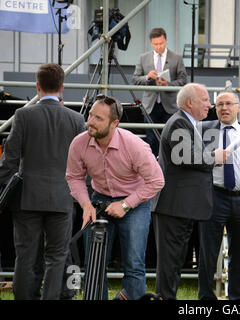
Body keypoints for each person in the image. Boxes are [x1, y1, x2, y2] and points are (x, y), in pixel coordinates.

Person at [65, 95, 165, 300]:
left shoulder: (134, 145)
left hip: (135, 202)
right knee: (95, 262)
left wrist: (126, 204)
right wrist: (85, 205)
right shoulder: (79, 143)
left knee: (134, 264)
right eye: (91, 115)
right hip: (99, 198)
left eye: (98, 118)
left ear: (114, 123)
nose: (90, 121)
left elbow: (156, 181)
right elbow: (74, 177)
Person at [0, 63, 85, 300]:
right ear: (62, 88)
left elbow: (9, 161)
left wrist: (4, 188)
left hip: (27, 199)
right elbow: (82, 164)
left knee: (26, 256)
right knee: (58, 256)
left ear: (37, 86)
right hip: (62, 198)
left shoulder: (23, 115)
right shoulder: (77, 120)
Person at [153, 83, 228, 300]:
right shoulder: (179, 123)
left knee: (174, 263)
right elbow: (186, 157)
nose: (209, 104)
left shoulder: (187, 123)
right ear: (189, 102)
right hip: (174, 208)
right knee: (169, 265)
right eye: (204, 100)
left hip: (181, 207)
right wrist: (215, 157)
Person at [197, 91, 240, 300]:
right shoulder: (204, 130)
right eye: (219, 104)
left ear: (238, 107)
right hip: (214, 196)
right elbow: (193, 158)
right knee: (208, 254)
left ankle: (239, 300)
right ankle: (205, 299)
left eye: (229, 103)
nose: (224, 108)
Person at [132, 27, 187, 156]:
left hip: (170, 106)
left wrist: (167, 84)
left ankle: (168, 171)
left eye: (161, 43)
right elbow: (135, 79)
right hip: (150, 106)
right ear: (151, 43)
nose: (159, 47)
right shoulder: (143, 58)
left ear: (166, 40)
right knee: (151, 141)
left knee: (171, 139)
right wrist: (147, 77)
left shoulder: (176, 58)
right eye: (155, 44)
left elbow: (183, 80)